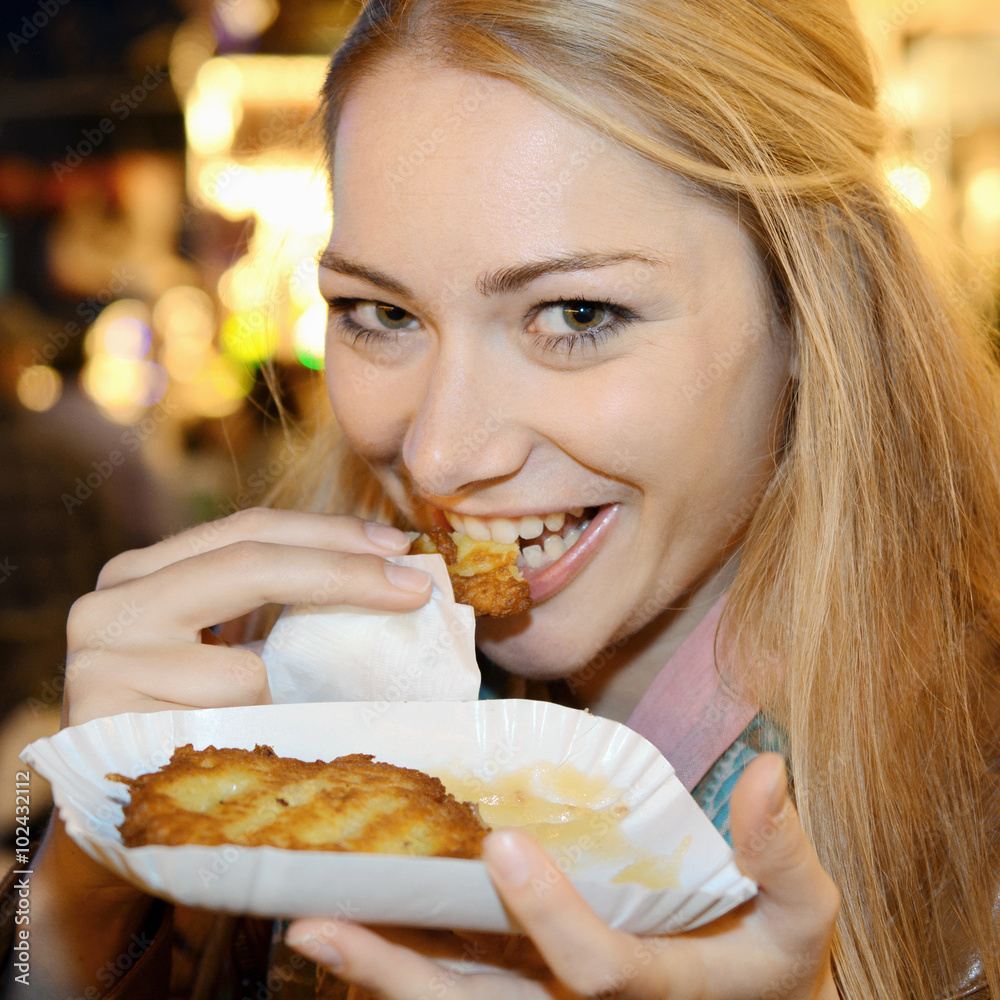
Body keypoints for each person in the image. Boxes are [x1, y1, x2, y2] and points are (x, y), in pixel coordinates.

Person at [5, 0, 999, 997]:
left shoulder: (975, 780)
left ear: (811, 313)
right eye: (380, 312)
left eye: (576, 313)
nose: (437, 458)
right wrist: (76, 907)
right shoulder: (274, 693)